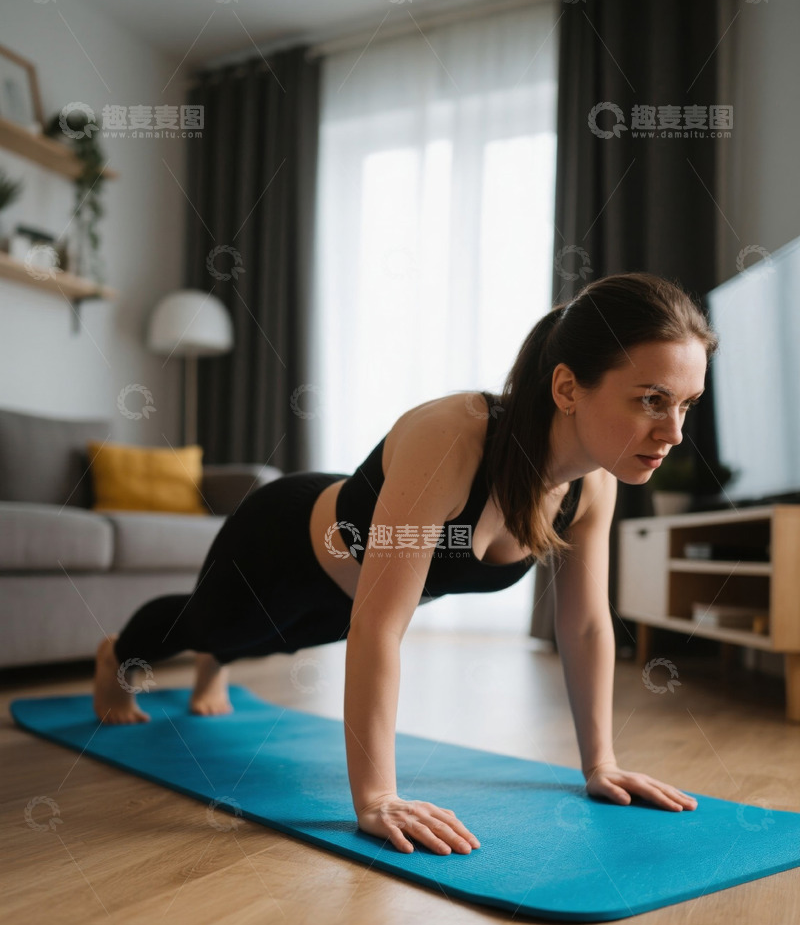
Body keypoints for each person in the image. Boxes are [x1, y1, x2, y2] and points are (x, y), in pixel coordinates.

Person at [93, 271, 713, 855]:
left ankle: (213, 669)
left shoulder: (591, 488)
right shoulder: (455, 436)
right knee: (209, 626)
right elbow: (381, 627)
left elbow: (584, 626)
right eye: (652, 400)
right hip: (281, 546)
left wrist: (600, 763)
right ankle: (117, 654)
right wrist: (376, 796)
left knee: (267, 645)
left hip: (346, 599)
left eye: (686, 404)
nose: (675, 432)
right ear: (568, 388)